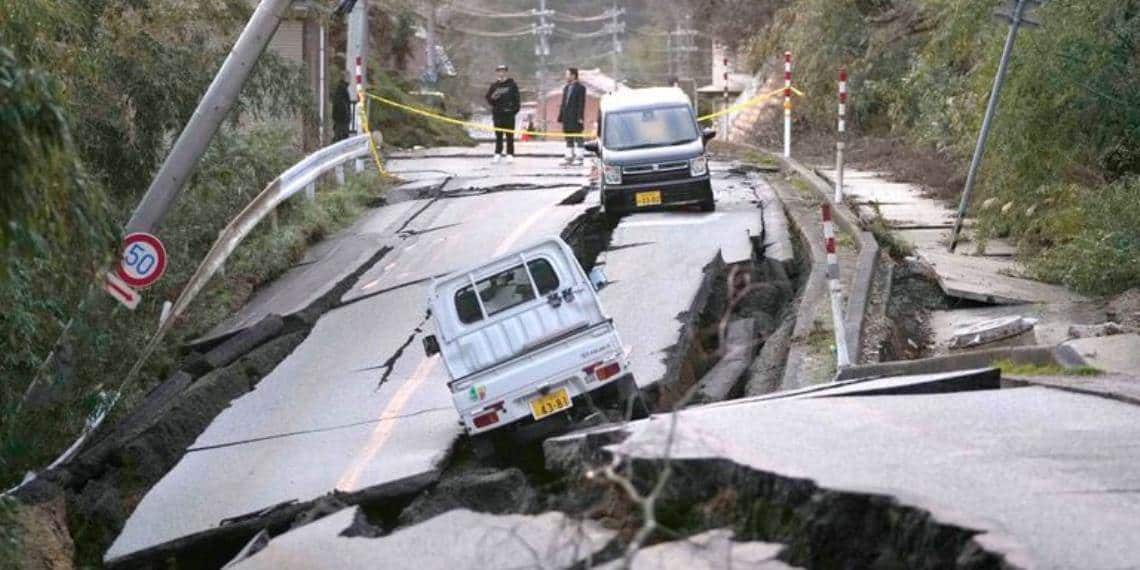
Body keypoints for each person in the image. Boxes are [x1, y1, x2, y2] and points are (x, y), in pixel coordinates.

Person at [485, 64, 520, 163]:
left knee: (509, 136)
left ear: (506, 72)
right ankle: (497, 153)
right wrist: (493, 98)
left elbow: (517, 100)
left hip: (509, 114)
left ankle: (510, 154)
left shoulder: (512, 85)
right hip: (498, 115)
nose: (501, 73)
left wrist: (513, 111)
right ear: (497, 73)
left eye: (503, 71)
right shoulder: (494, 85)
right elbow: (489, 99)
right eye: (499, 71)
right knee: (498, 136)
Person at [557, 67, 587, 166]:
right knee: (568, 138)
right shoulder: (566, 88)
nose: (566, 76)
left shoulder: (581, 88)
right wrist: (561, 117)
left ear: (573, 75)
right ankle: (569, 157)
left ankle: (579, 157)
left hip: (575, 117)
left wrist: (580, 117)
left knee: (578, 137)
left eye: (567, 74)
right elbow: (563, 103)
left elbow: (581, 104)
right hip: (567, 117)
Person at [331, 78, 352, 142]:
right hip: (343, 118)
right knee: (343, 134)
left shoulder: (338, 91)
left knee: (338, 134)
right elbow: (346, 105)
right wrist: (348, 115)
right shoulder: (344, 91)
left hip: (338, 118)